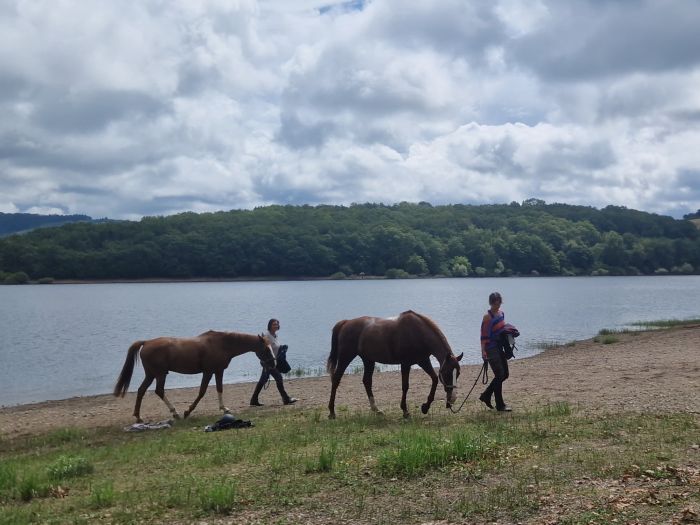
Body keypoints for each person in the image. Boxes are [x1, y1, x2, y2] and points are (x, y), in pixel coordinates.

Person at [250, 318, 297, 406]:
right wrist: (265, 361)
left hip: (272, 362)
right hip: (268, 363)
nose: (276, 325)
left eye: (277, 324)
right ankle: (286, 399)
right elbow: (262, 350)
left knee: (263, 380)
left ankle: (253, 400)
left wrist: (282, 349)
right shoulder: (266, 336)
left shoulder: (275, 335)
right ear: (270, 325)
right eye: (274, 324)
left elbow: (274, 348)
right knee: (278, 378)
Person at [478, 292, 512, 412]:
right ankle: (500, 405)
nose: (496, 305)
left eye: (498, 302)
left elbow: (502, 329)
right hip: (490, 348)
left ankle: (486, 395)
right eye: (494, 303)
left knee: (505, 374)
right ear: (491, 302)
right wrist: (483, 352)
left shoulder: (501, 313)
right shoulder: (487, 317)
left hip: (500, 347)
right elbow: (483, 336)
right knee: (499, 375)